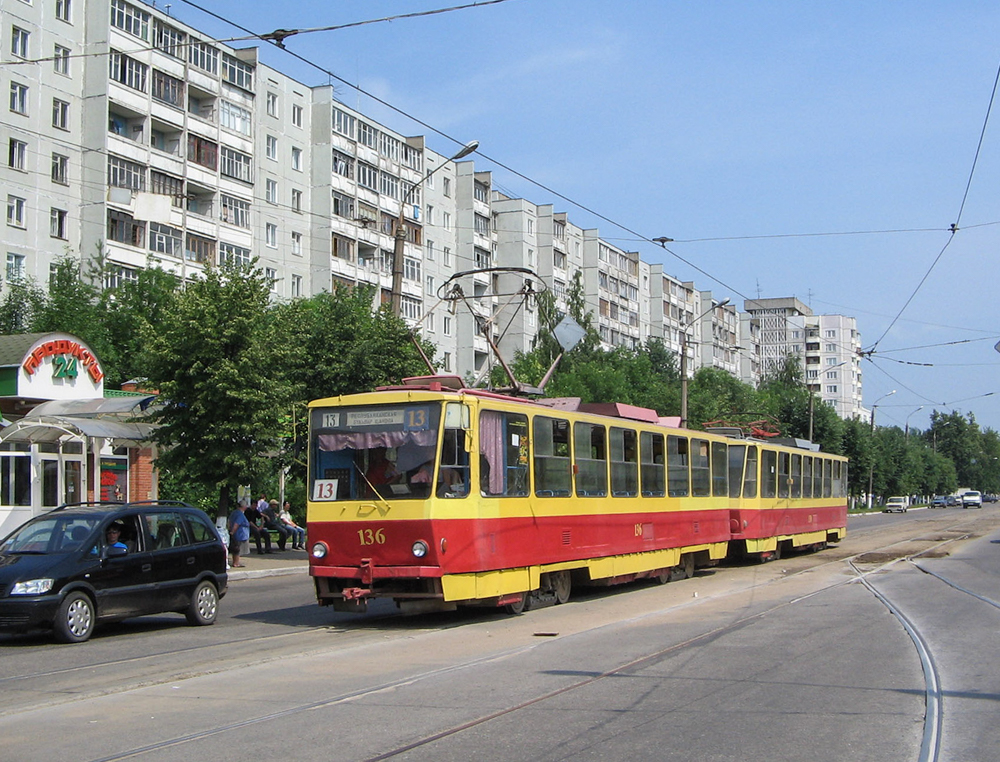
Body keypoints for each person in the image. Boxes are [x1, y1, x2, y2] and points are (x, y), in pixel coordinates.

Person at [228, 501, 250, 568]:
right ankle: (236, 563)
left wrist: (230, 530)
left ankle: (235, 562)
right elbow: (237, 524)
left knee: (235, 548)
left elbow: (229, 521)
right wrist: (232, 531)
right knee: (238, 549)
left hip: (236, 533)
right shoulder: (240, 514)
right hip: (239, 534)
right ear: (244, 507)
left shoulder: (234, 512)